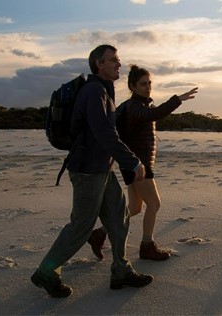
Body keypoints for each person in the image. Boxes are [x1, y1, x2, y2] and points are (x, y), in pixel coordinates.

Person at [31, 44, 153, 298]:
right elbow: (105, 134)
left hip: (102, 169)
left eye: (118, 60)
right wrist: (132, 161)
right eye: (113, 60)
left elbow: (110, 133)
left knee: (119, 218)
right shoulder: (94, 92)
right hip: (87, 171)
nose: (119, 64)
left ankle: (121, 270)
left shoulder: (104, 91)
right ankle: (46, 271)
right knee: (82, 226)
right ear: (99, 63)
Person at [87, 65, 198, 261]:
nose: (148, 87)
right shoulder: (134, 107)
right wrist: (177, 100)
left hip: (134, 163)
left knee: (136, 208)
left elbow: (151, 115)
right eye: (143, 84)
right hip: (138, 164)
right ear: (132, 86)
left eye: (149, 83)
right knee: (154, 204)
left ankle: (99, 233)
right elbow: (153, 115)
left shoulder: (139, 106)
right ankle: (147, 245)